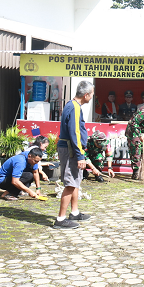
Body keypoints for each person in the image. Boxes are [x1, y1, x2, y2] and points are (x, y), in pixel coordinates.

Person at [55, 80, 95, 229]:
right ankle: (60, 219)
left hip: (69, 147)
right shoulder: (75, 108)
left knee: (76, 180)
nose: (91, 97)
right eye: (91, 95)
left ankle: (75, 212)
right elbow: (76, 134)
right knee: (71, 183)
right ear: (86, 95)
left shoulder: (71, 105)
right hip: (71, 148)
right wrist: (80, 156)